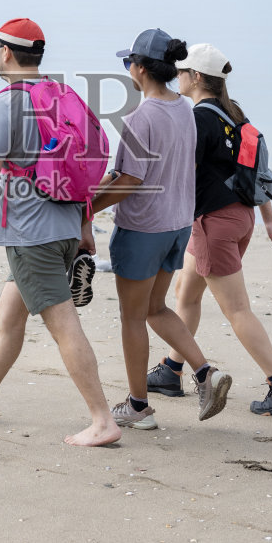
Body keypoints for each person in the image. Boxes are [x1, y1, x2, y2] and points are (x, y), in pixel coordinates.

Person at [0, 17, 122, 447]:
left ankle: (102, 420)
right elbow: (78, 166)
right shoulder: (59, 97)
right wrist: (83, 226)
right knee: (10, 316)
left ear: (5, 52)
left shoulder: (7, 104)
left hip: (30, 234)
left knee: (63, 324)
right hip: (61, 228)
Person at [145, 42, 272, 416]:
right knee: (186, 294)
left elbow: (181, 173)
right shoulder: (234, 115)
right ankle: (171, 370)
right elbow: (250, 173)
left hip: (213, 223)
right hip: (239, 218)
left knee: (237, 310)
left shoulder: (199, 118)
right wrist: (268, 217)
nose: (175, 78)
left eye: (180, 72)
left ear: (196, 77)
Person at [90, 28, 231, 431]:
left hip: (143, 229)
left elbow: (129, 180)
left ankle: (138, 407)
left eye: (127, 63)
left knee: (133, 317)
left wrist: (87, 208)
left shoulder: (140, 117)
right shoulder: (185, 110)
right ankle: (205, 373)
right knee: (156, 308)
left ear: (139, 68)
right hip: (176, 226)